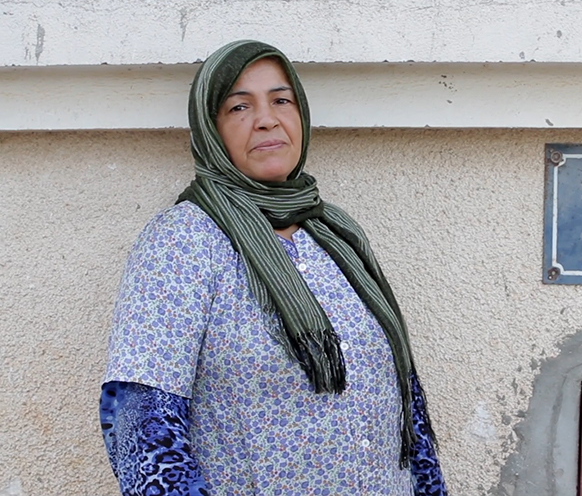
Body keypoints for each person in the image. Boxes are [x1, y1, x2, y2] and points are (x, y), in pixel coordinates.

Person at [99, 40, 447, 496]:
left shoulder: (335, 232)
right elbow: (140, 423)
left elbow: (406, 406)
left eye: (281, 100)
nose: (267, 118)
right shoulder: (184, 240)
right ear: (210, 130)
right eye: (239, 107)